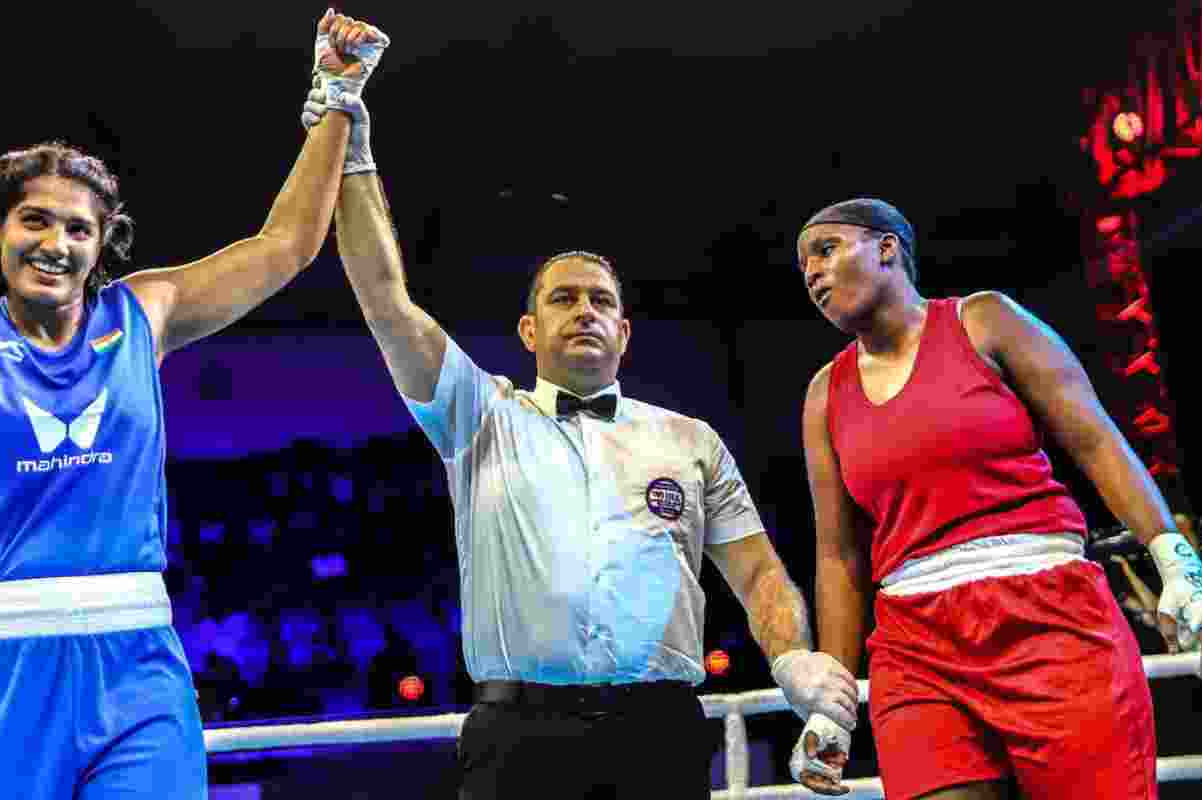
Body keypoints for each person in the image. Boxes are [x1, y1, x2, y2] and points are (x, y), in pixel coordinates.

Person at [0, 10, 386, 797]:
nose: (56, 242)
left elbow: (284, 245)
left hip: (136, 666)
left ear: (102, 242)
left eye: (79, 228)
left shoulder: (145, 315)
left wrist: (337, 94)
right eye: (36, 220)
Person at [301, 16, 860, 799]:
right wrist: (349, 132)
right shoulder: (480, 417)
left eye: (602, 301)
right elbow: (388, 302)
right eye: (564, 299)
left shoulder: (689, 440)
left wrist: (792, 657)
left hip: (659, 736)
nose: (585, 311)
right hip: (517, 740)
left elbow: (760, 572)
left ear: (626, 331)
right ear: (529, 330)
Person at [790, 198, 1202, 798]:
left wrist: (1181, 568)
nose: (813, 274)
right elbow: (838, 555)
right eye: (804, 268)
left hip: (1051, 617)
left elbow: (1096, 441)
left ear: (888, 247)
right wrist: (833, 702)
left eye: (826, 250)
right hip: (916, 644)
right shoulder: (825, 394)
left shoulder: (987, 321)